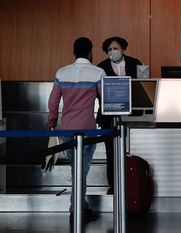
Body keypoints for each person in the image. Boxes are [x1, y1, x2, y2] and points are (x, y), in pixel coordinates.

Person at [48, 37, 105, 222]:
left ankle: (81, 205)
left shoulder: (62, 72)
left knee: (77, 169)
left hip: (67, 129)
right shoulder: (98, 72)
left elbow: (53, 101)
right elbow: (106, 100)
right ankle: (76, 208)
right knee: (82, 170)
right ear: (90, 52)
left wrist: (52, 121)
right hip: (88, 130)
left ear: (74, 52)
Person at [96, 36, 143, 195]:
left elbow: (143, 86)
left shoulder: (135, 63)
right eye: (109, 49)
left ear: (123, 49)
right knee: (111, 153)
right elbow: (98, 93)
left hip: (133, 116)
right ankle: (114, 187)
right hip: (108, 117)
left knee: (133, 151)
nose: (112, 52)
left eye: (115, 48)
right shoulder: (101, 67)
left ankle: (132, 186)